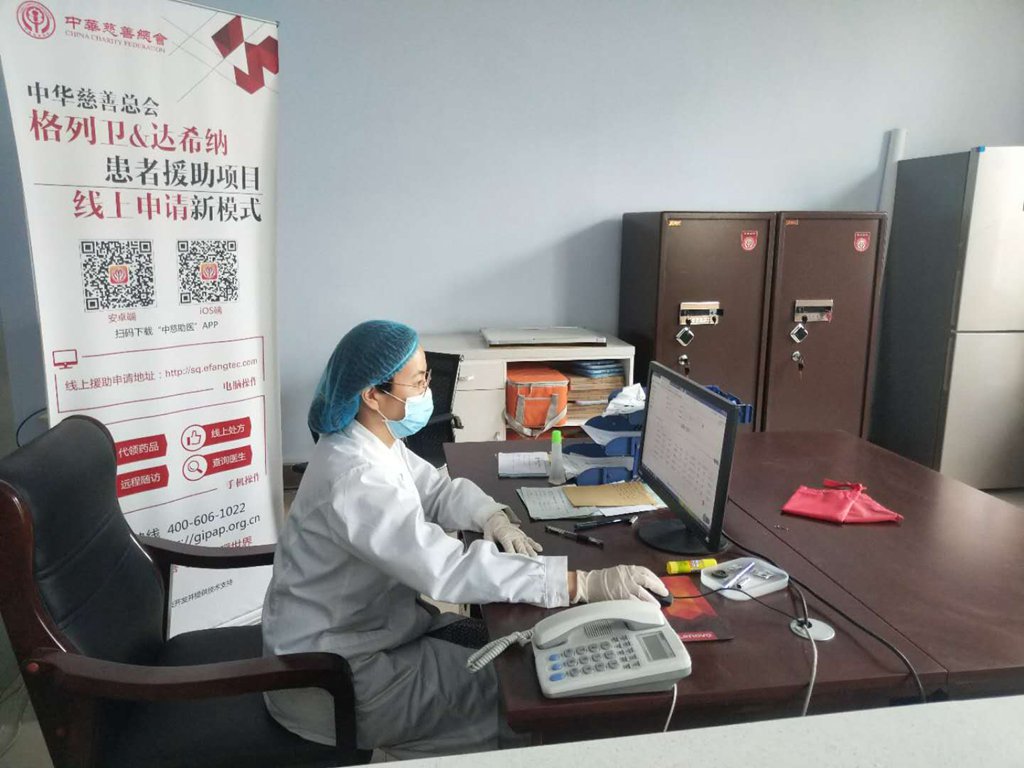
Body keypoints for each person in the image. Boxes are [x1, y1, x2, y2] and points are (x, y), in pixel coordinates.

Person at [262, 320, 668, 758]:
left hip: (370, 638)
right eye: (418, 381)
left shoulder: (369, 439)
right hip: (337, 681)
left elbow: (434, 489)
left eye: (426, 377)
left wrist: (490, 515)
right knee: (521, 694)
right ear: (372, 395)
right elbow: (446, 570)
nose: (427, 391)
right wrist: (578, 584)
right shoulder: (356, 477)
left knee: (514, 650)